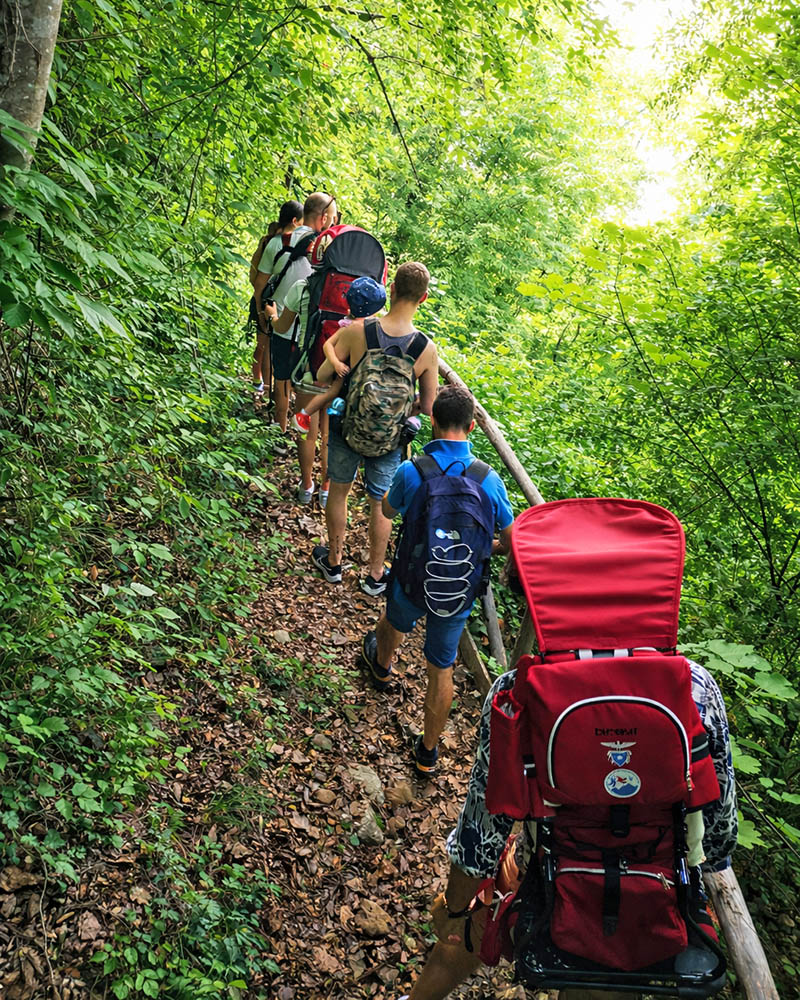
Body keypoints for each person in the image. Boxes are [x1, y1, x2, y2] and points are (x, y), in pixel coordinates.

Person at [359, 384, 514, 776]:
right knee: (440, 667)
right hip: (458, 591)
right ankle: (427, 753)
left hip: (412, 578)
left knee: (393, 622)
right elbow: (511, 542)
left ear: (432, 420)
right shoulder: (488, 479)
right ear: (473, 426)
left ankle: (381, 667)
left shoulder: (414, 471)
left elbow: (390, 511)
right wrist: (480, 547)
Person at [309, 262, 439, 590]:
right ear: (422, 299)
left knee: (339, 490)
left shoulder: (357, 331)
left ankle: (334, 562)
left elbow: (322, 376)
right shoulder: (425, 349)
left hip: (347, 430)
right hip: (390, 440)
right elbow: (428, 405)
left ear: (391, 289)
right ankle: (375, 575)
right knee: (380, 501)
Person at [257, 193, 335, 447]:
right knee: (306, 385)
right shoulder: (328, 249)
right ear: (323, 218)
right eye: (333, 218)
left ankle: (279, 431)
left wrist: (264, 315)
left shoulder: (278, 242)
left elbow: (260, 284)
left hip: (281, 325)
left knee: (281, 380)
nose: (333, 223)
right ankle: (306, 436)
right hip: (312, 331)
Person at [290, 276, 387, 437]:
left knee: (334, 394)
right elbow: (327, 345)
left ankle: (313, 416)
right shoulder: (350, 326)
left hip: (350, 368)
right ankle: (304, 414)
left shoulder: (361, 325)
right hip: (343, 369)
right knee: (332, 391)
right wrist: (336, 363)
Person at [249, 204, 300, 403]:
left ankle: (265, 385)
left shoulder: (271, 240)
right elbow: (259, 280)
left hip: (264, 299)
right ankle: (264, 384)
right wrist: (262, 312)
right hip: (266, 300)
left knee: (263, 344)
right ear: (295, 221)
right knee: (264, 344)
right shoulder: (273, 243)